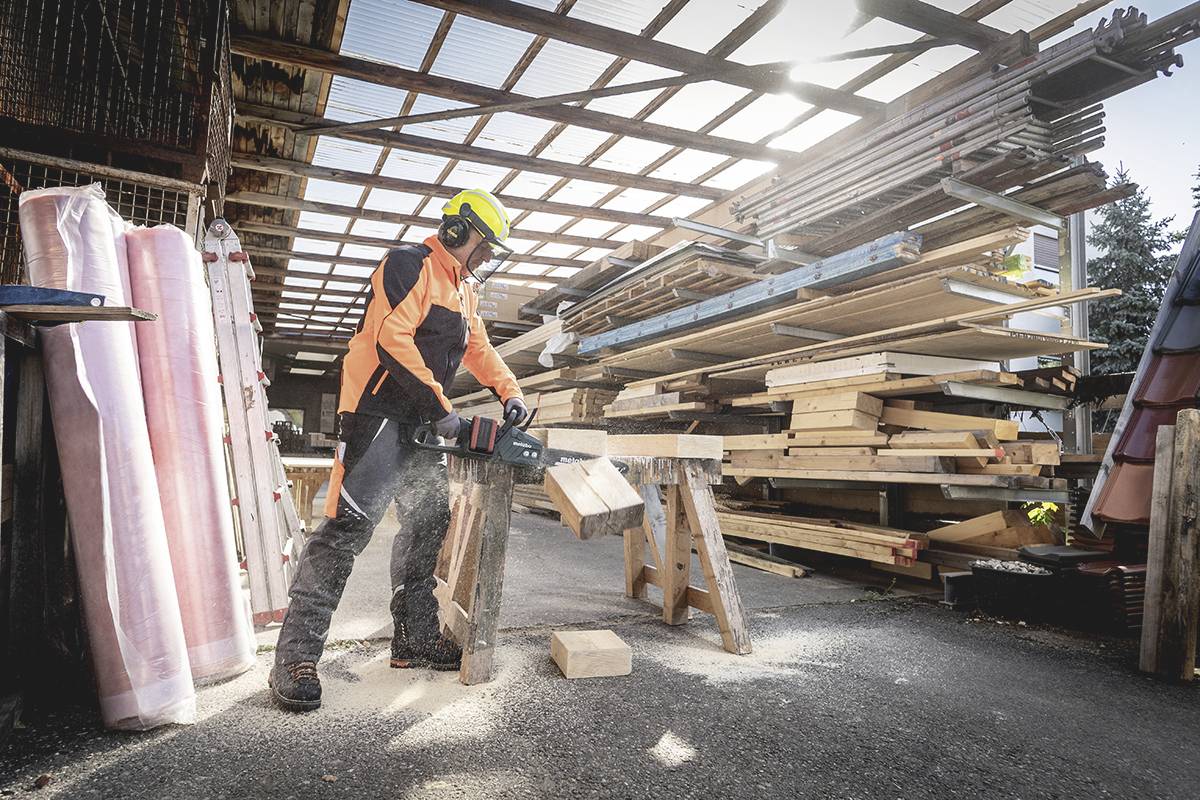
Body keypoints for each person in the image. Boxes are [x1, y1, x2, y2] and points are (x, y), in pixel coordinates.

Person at [269, 189, 528, 712]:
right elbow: (393, 341)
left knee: (428, 524)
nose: (488, 256)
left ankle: (412, 640)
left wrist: (511, 392)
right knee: (346, 532)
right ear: (458, 231)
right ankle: (294, 660)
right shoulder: (409, 265)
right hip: (376, 415)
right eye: (486, 244)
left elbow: (476, 347)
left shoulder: (464, 290)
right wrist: (444, 411)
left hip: (422, 422)